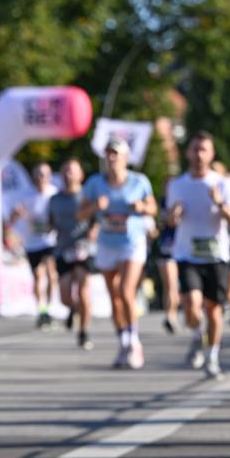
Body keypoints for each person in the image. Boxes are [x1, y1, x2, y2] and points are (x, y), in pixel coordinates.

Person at [167, 131, 230, 379]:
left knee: (214, 311)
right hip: (187, 254)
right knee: (191, 306)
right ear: (188, 153)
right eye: (195, 149)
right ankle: (198, 335)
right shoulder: (178, 185)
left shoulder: (222, 183)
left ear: (211, 154)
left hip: (216, 255)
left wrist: (221, 204)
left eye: (204, 150)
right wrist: (173, 215)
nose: (199, 154)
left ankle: (212, 357)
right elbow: (168, 219)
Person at [80, 135, 156, 369]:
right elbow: (80, 214)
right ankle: (123, 341)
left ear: (125, 158)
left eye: (116, 153)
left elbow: (153, 208)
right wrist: (95, 207)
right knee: (114, 297)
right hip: (106, 243)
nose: (111, 158)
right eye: (108, 153)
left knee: (125, 291)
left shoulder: (139, 181)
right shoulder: (95, 183)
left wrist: (141, 207)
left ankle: (134, 342)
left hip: (132, 242)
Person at [48, 158, 95, 350]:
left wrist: (95, 230)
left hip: (84, 248)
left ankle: (84, 332)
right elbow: (50, 223)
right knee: (64, 296)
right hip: (63, 249)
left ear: (80, 175)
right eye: (66, 170)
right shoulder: (55, 199)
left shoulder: (86, 196)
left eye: (73, 171)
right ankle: (74, 309)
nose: (69, 174)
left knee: (84, 290)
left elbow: (98, 218)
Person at [10, 163, 58, 328]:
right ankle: (42, 309)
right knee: (38, 276)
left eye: (44, 175)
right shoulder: (26, 195)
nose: (40, 178)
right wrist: (16, 214)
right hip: (32, 242)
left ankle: (50, 308)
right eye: (38, 174)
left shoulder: (54, 194)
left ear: (49, 177)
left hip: (51, 240)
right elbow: (13, 218)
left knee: (51, 274)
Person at [156, 183, 180, 334]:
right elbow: (158, 223)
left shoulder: (182, 201)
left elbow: (175, 222)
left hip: (182, 248)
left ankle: (173, 313)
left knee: (175, 285)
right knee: (169, 284)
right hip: (165, 246)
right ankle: (170, 315)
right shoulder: (162, 202)